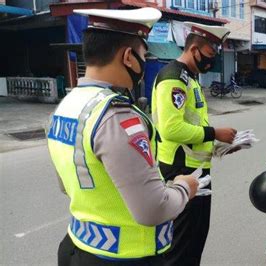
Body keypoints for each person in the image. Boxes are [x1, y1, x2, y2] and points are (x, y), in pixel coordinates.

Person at [47, 8, 199, 265]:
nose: (144, 61)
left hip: (77, 247)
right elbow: (154, 209)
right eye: (143, 55)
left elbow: (67, 185)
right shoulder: (115, 116)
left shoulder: (67, 105)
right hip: (124, 257)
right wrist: (185, 187)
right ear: (128, 57)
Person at [151, 22, 237, 265]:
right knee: (181, 244)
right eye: (209, 55)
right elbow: (171, 128)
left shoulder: (191, 78)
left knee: (196, 238)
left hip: (197, 170)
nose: (211, 62)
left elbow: (194, 126)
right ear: (194, 49)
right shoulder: (173, 78)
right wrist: (215, 133)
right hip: (180, 170)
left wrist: (222, 145)